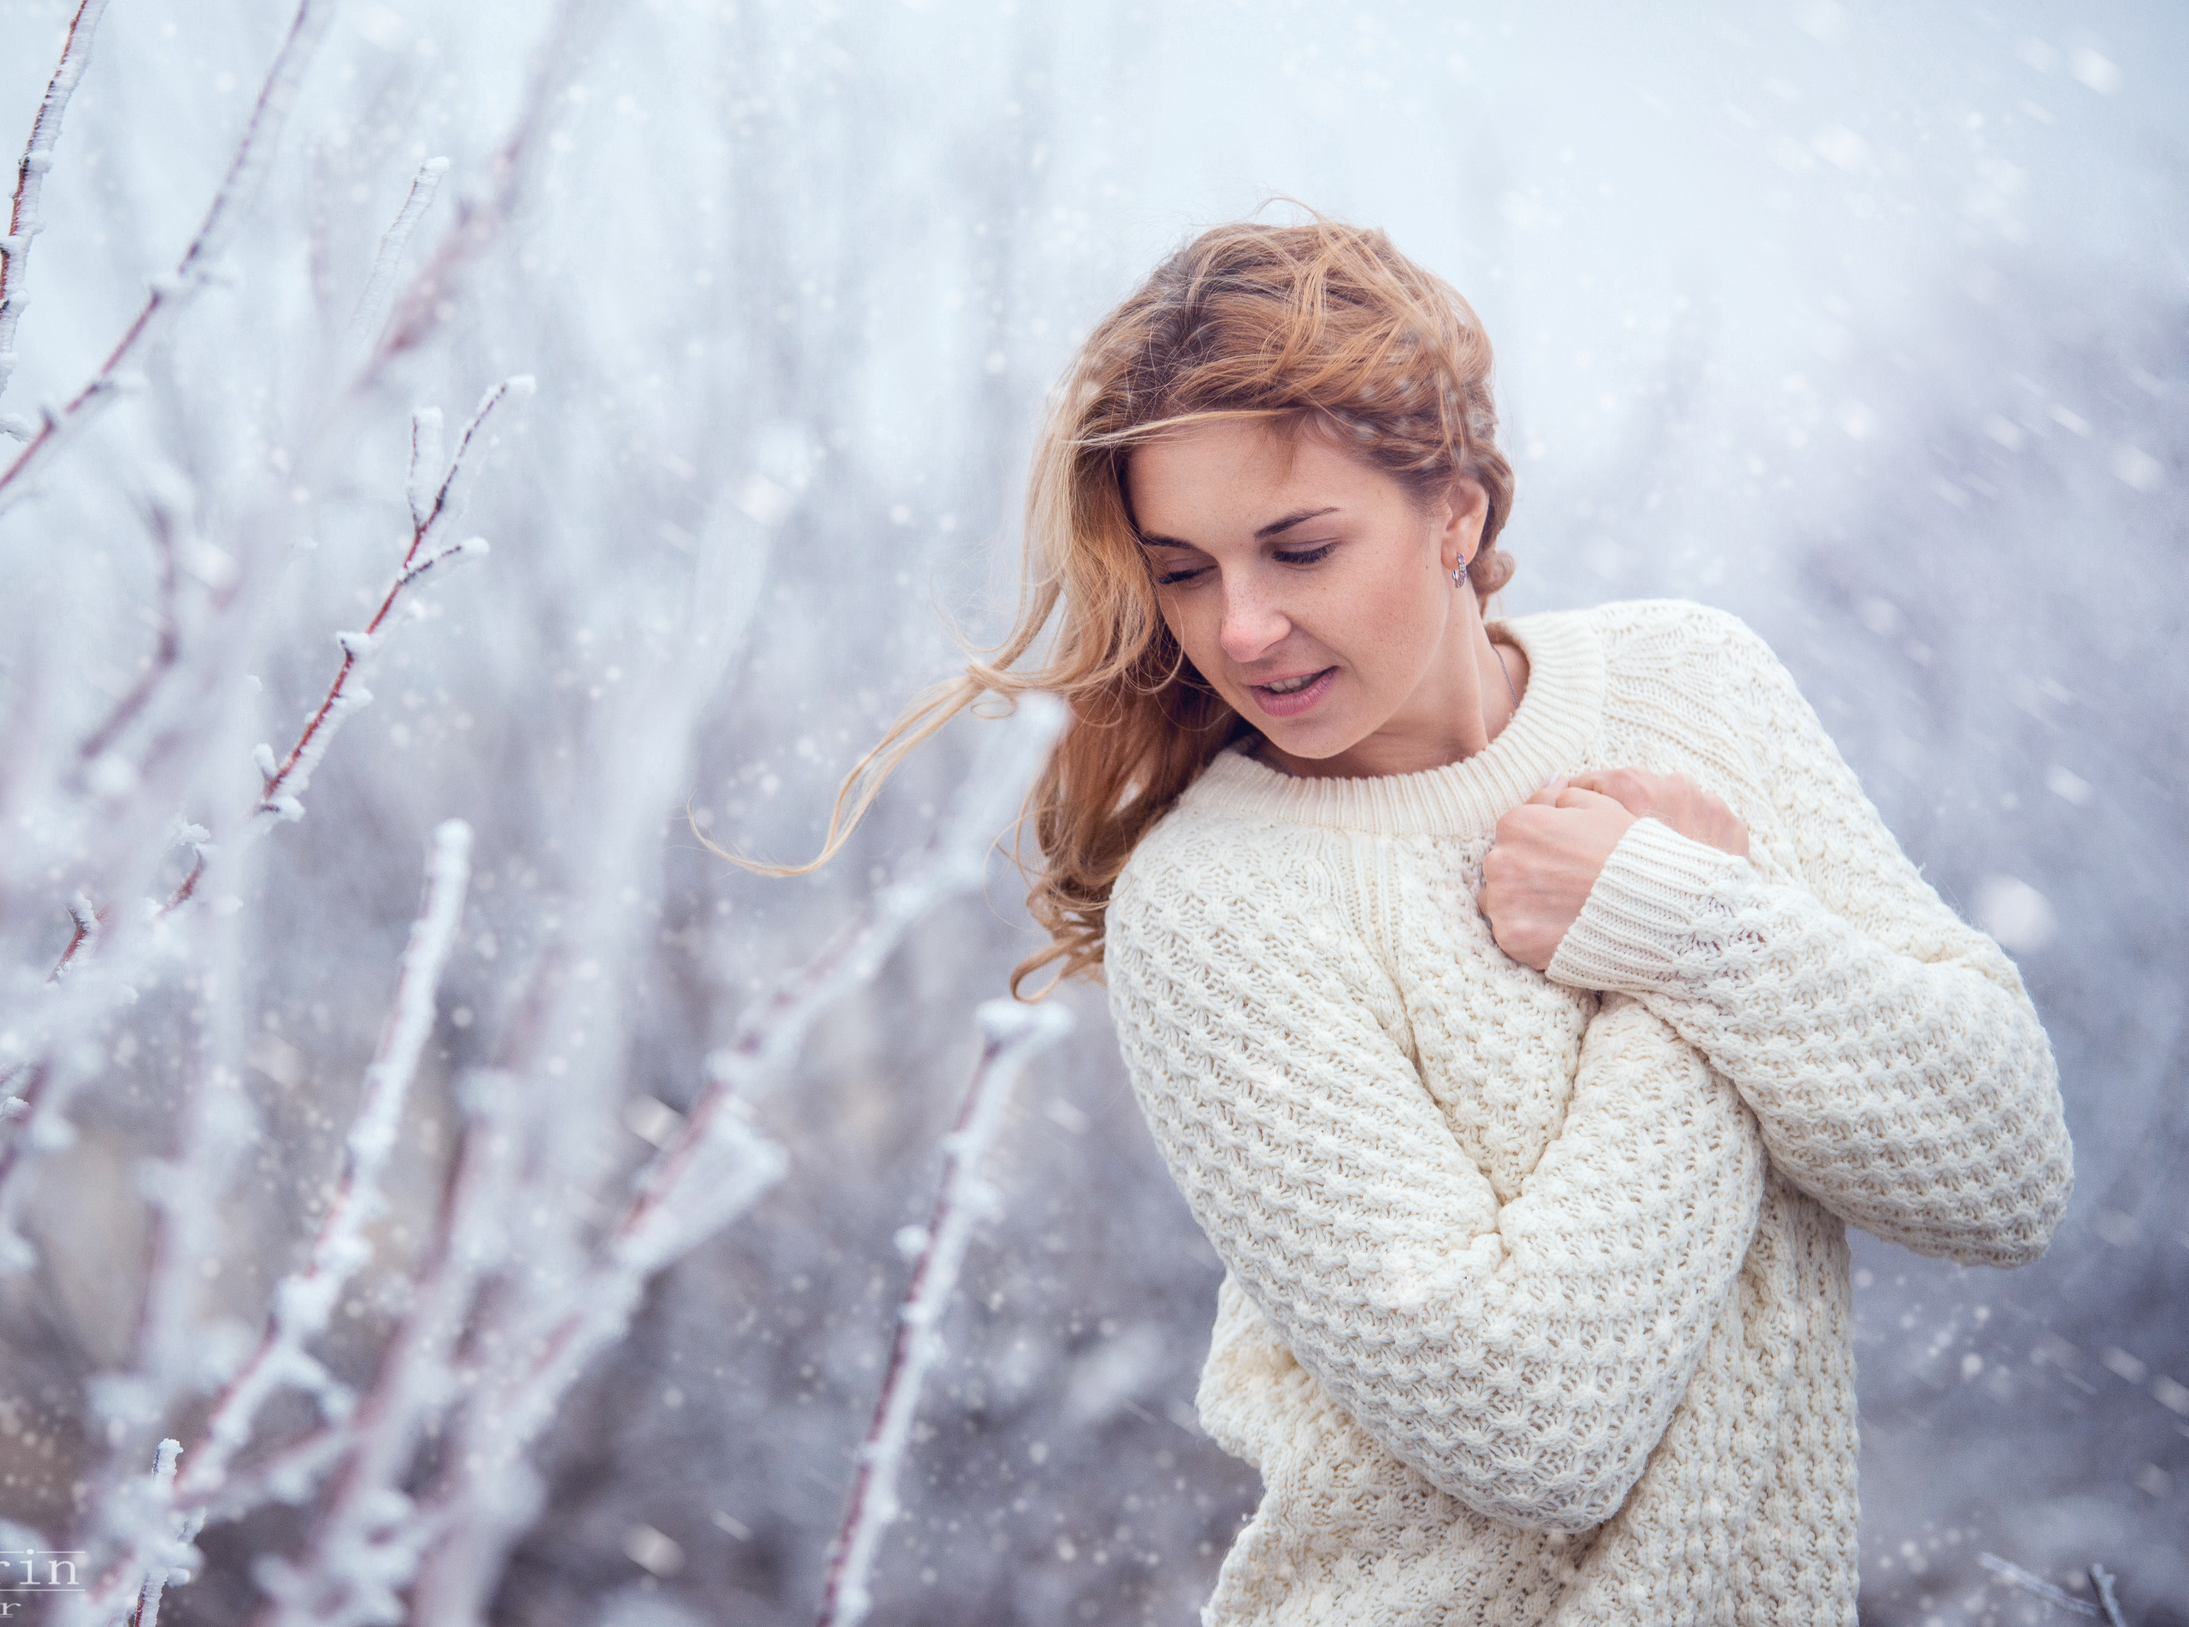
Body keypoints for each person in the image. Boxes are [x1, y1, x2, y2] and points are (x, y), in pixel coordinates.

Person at [793, 216, 2074, 1624]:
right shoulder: (1218, 904)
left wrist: (1699, 924)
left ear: (1456, 512)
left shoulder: (1690, 684)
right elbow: (1538, 1426)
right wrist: (1676, 931)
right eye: (1185, 571)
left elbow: (2003, 1171)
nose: (1243, 628)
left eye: (1299, 547)